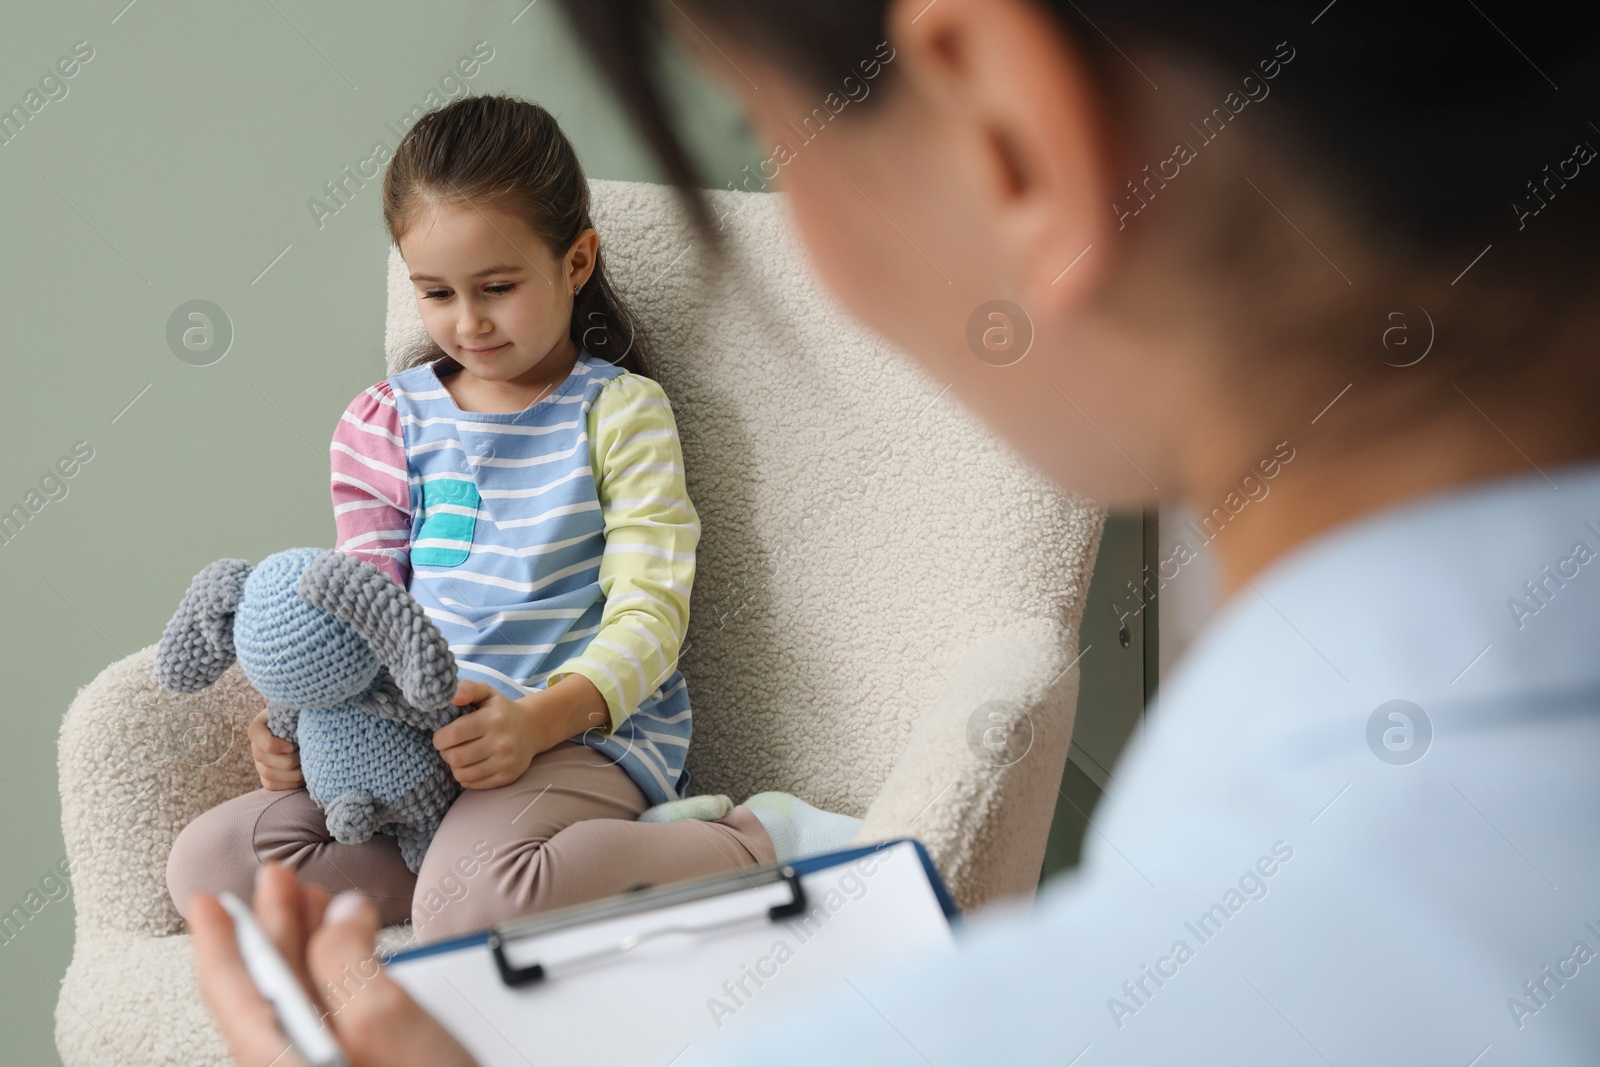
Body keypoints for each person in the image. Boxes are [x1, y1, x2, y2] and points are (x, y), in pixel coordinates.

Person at [188, 0, 1600, 1062]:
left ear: (1010, 133)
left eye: (766, 133)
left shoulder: (1071, 1004)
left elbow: (644, 609)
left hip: (565, 755)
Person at [166, 93, 859, 949]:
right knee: (207, 868)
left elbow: (651, 618)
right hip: (420, 749)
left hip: (577, 735)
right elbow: (358, 612)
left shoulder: (619, 412)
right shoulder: (384, 421)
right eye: (436, 293)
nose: (468, 323)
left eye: (497, 287)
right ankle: (470, 876)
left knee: (467, 902)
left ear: (575, 261)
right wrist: (296, 729)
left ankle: (748, 841)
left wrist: (537, 722)